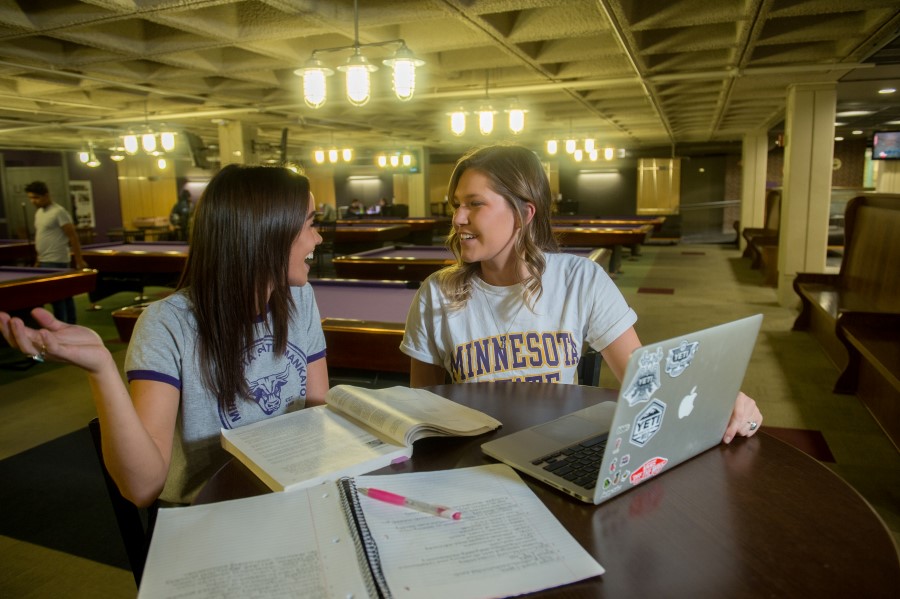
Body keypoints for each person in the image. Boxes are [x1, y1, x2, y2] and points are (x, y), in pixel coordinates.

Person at [2, 165, 329, 506]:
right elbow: (142, 489)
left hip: (287, 491)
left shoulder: (300, 299)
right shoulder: (165, 324)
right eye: (310, 223)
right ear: (266, 232)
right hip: (207, 511)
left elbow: (316, 411)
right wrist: (101, 368)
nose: (318, 238)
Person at [400, 144, 762, 444]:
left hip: (555, 449)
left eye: (474, 204)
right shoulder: (436, 294)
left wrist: (719, 402)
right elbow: (426, 413)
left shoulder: (581, 279)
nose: (458, 218)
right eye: (455, 205)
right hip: (474, 459)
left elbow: (643, 380)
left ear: (524, 213)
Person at [25, 181, 89, 324]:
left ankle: (67, 325)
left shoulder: (59, 212)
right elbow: (41, 236)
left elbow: (73, 236)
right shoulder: (39, 213)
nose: (33, 201)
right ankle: (67, 325)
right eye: (30, 198)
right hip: (44, 260)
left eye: (36, 197)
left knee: (61, 297)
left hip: (58, 260)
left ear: (46, 195)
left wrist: (79, 260)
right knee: (58, 298)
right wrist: (38, 259)